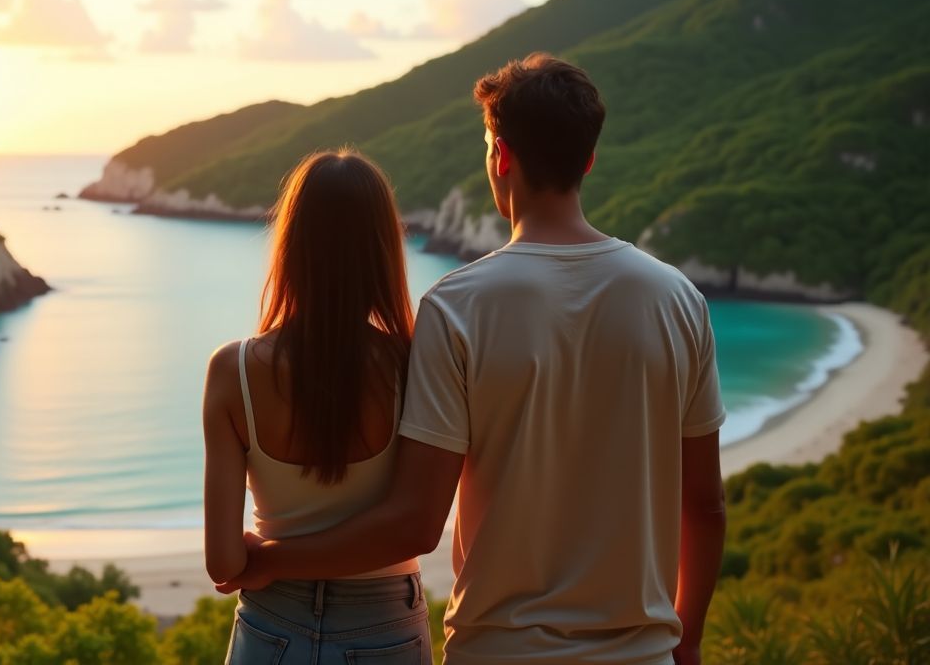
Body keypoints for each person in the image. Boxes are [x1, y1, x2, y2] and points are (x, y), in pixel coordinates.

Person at [217, 53, 728, 665]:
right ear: (588, 160)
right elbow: (703, 504)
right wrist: (688, 636)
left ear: (500, 156)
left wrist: (270, 558)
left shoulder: (457, 307)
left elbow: (415, 523)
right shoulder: (678, 300)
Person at [203, 148, 433, 664]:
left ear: (291, 244)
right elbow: (421, 524)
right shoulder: (414, 364)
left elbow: (223, 562)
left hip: (270, 623)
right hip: (385, 622)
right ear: (382, 248)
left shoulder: (232, 371)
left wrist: (267, 557)